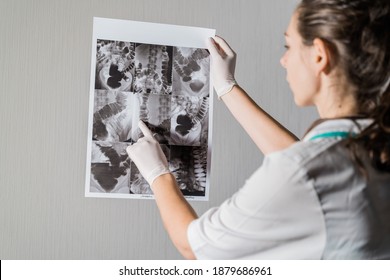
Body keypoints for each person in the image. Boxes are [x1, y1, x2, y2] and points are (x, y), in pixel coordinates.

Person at [126, 0, 390, 259]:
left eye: (289, 46)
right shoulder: (373, 141)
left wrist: (158, 174)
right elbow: (308, 163)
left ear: (319, 55)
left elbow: (193, 246)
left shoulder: (307, 170)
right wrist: (228, 88)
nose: (284, 60)